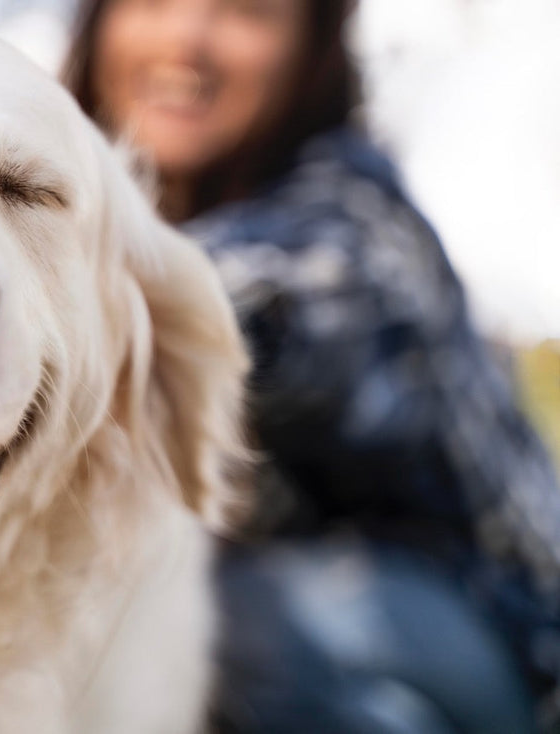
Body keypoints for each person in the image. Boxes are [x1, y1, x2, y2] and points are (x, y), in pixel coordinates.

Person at [63, 1, 560, 731]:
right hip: (337, 642)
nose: (185, 38)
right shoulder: (113, 221)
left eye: (246, 11)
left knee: (209, 621)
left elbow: (259, 309)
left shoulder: (352, 221)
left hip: (494, 649)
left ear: (313, 50)